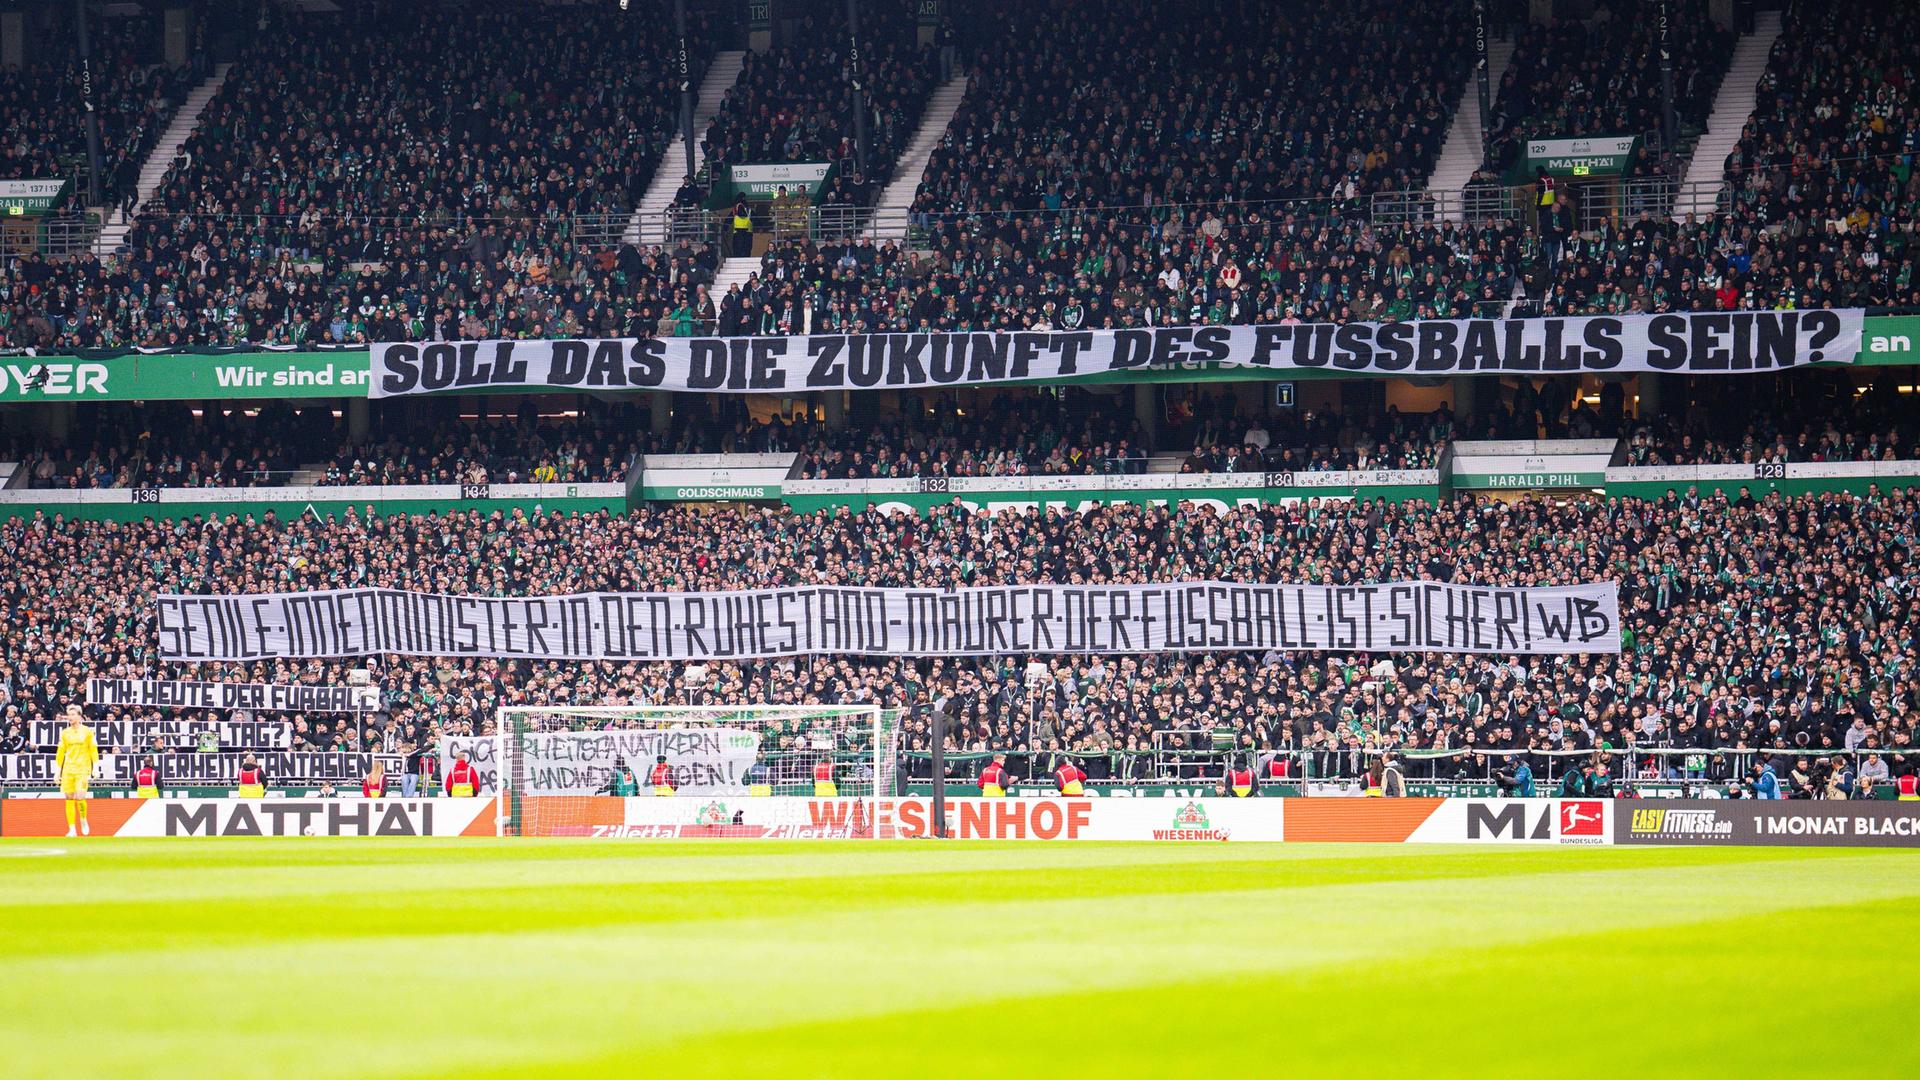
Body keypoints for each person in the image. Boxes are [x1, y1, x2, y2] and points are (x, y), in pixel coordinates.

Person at [55, 705, 99, 837]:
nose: (70, 717)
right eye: (69, 714)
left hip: (83, 768)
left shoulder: (87, 732)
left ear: (79, 716)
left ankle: (83, 819)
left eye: (73, 714)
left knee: (80, 797)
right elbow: (60, 752)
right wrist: (57, 771)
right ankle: (72, 829)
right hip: (68, 769)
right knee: (69, 798)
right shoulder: (65, 733)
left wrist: (96, 767)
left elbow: (93, 750)